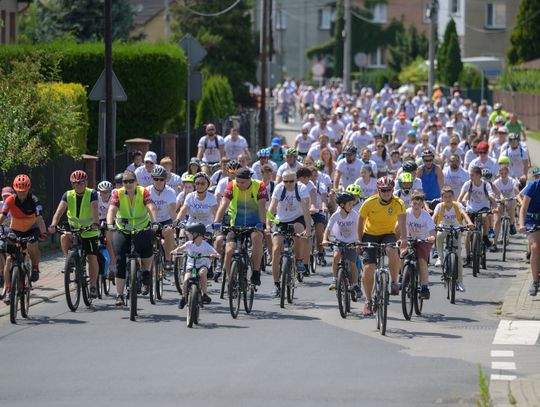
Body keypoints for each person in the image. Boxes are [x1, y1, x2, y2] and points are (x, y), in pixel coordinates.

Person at [106, 170, 158, 306]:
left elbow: (151, 207)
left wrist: (155, 222)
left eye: (130, 181)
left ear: (136, 182)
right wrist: (109, 224)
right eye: (125, 182)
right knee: (120, 260)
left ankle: (146, 272)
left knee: (147, 247)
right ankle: (119, 295)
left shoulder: (143, 192)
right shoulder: (118, 193)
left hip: (141, 228)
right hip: (123, 229)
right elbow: (111, 209)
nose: (128, 184)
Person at [357, 176, 407, 316]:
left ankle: (394, 282)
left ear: (392, 190)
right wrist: (359, 241)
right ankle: (368, 301)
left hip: (388, 233)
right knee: (369, 267)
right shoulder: (369, 202)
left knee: (392, 250)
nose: (386, 193)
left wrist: (403, 238)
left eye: (389, 190)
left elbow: (402, 222)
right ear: (378, 191)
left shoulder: (399, 203)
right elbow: (360, 221)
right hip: (370, 234)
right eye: (383, 190)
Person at [48, 170, 100, 298]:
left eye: (81, 182)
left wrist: (95, 223)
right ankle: (69, 260)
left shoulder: (92, 193)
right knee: (64, 236)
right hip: (73, 228)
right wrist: (53, 224)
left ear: (86, 182)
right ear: (72, 184)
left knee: (92, 257)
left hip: (89, 230)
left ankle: (93, 286)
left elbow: (94, 209)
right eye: (76, 183)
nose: (79, 185)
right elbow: (59, 212)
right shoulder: (68, 195)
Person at [214, 167, 267, 286]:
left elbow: (262, 206)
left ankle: (256, 272)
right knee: (229, 250)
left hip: (254, 223)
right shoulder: (231, 185)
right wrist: (217, 221)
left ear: (250, 180)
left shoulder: (259, 185)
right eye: (237, 181)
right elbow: (224, 204)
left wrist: (262, 223)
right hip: (236, 223)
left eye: (242, 182)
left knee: (256, 238)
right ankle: (230, 278)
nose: (239, 184)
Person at [0, 175, 47, 299]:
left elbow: (39, 218)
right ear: (15, 189)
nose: (21, 193)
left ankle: (35, 268)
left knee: (32, 245)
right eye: (19, 190)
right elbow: (3, 217)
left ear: (28, 189)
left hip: (31, 229)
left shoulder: (34, 200)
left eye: (24, 190)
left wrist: (43, 232)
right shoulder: (10, 199)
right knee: (9, 258)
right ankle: (8, 287)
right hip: (15, 230)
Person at [267, 170, 311, 297]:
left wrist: (307, 228)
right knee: (276, 249)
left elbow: (306, 209)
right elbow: (271, 208)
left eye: (291, 181)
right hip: (280, 220)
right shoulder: (279, 188)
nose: (288, 184)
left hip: (297, 218)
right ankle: (276, 284)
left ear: (295, 180)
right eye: (285, 181)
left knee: (298, 232)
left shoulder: (301, 188)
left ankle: (299, 259)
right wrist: (268, 223)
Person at [433, 186, 473, 291]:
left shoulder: (458, 205)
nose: (448, 199)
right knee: (439, 235)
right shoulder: (439, 206)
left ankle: (460, 281)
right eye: (445, 197)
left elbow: (464, 214)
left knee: (458, 255)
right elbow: (435, 216)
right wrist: (432, 225)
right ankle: (440, 258)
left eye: (450, 196)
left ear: (453, 197)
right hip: (444, 225)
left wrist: (469, 223)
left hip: (456, 226)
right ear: (442, 198)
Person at [322, 192, 362, 298]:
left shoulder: (354, 214)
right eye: (349, 204)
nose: (352, 206)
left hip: (352, 241)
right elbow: (328, 228)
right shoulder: (336, 215)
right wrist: (324, 239)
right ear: (342, 205)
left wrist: (359, 242)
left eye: (352, 204)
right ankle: (335, 279)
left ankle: (355, 284)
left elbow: (360, 228)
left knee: (352, 263)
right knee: (336, 257)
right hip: (339, 240)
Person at [458, 166, 498, 266]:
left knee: (485, 216)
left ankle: (484, 236)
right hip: (471, 208)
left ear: (478, 176)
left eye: (472, 175)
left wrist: (495, 206)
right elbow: (460, 197)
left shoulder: (486, 184)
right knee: (468, 234)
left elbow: (491, 196)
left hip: (483, 206)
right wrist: (458, 207)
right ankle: (468, 257)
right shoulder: (468, 184)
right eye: (470, 174)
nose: (470, 176)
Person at [172, 223, 218, 308]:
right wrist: (175, 251)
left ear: (197, 234)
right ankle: (183, 297)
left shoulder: (205, 245)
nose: (188, 235)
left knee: (202, 273)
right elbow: (180, 248)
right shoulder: (189, 244)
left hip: (202, 266)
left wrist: (215, 255)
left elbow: (215, 252)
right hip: (191, 266)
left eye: (190, 234)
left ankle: (204, 294)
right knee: (186, 279)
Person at [405, 192, 436, 300]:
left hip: (423, 240)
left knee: (422, 260)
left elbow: (432, 230)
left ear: (423, 204)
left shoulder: (425, 215)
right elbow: (398, 227)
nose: (416, 206)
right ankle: (402, 277)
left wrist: (432, 237)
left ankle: (424, 287)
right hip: (409, 239)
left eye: (419, 204)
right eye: (414, 203)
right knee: (401, 253)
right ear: (410, 203)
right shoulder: (407, 213)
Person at [146, 165, 177, 269]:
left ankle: (168, 259)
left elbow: (172, 210)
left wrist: (175, 222)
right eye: (156, 179)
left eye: (161, 179)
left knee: (169, 231)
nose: (158, 181)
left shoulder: (170, 192)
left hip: (165, 220)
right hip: (149, 221)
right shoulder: (146, 191)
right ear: (152, 180)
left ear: (165, 180)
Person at [518, 177, 540, 295]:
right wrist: (521, 225)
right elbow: (524, 208)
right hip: (532, 220)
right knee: (535, 247)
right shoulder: (533, 186)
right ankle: (535, 281)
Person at [96, 180, 116, 279]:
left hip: (110, 221)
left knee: (108, 241)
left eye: (107, 192)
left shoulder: (114, 198)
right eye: (102, 192)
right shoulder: (96, 198)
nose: (104, 194)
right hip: (98, 221)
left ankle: (112, 268)